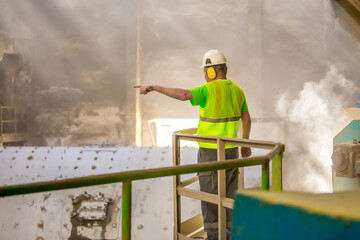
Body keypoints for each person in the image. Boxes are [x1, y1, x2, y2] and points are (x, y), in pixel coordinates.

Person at [134, 49, 251, 240]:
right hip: (231, 152)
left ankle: (214, 235)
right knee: (229, 195)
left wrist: (154, 87)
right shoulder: (238, 90)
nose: (205, 75)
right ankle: (229, 234)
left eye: (205, 71)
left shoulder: (208, 89)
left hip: (211, 153)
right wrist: (245, 144)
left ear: (212, 71)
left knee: (210, 196)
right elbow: (246, 120)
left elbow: (184, 95)